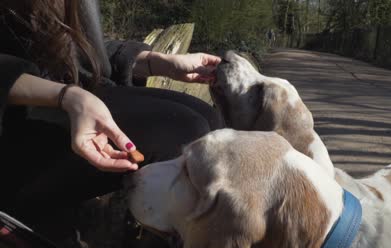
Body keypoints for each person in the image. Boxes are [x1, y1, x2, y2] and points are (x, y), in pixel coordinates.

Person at [0, 0, 224, 229]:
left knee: (210, 123)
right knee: (187, 130)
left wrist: (158, 63)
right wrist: (67, 96)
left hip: (74, 96)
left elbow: (75, 48)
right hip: (14, 126)